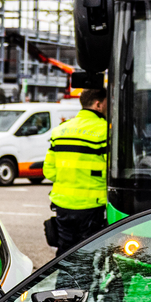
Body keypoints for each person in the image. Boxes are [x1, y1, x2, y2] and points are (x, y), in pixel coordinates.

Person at [43, 79, 109, 256]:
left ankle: (62, 283)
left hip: (62, 205)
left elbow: (48, 172)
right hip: (92, 206)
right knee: (88, 256)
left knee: (65, 253)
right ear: (98, 104)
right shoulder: (105, 131)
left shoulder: (60, 131)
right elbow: (110, 171)